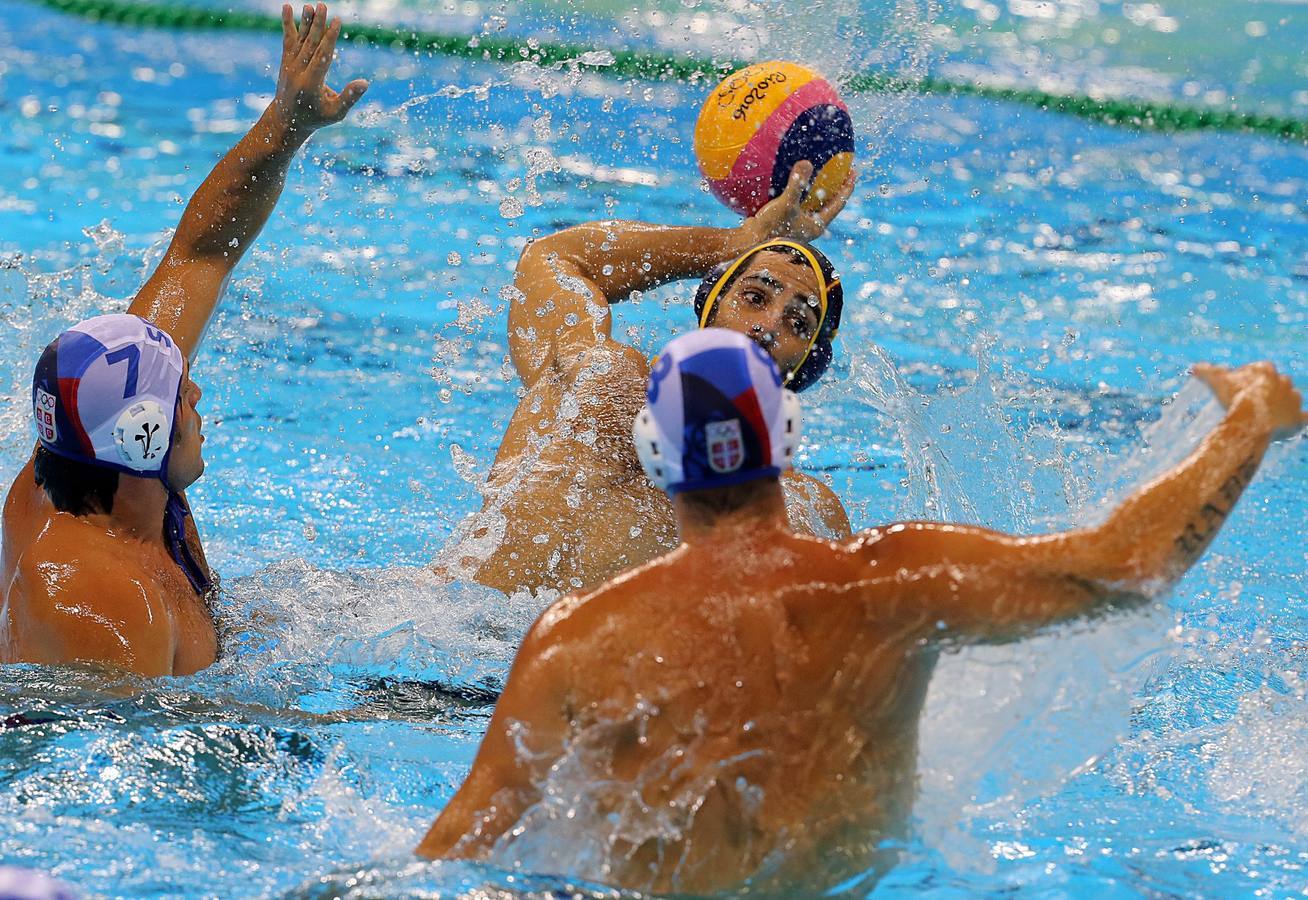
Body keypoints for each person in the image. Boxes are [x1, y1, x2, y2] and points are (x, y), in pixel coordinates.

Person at [418, 329, 1306, 894]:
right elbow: (1128, 565)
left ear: (656, 458)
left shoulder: (578, 638)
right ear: (788, 441)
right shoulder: (888, 584)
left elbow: (450, 856)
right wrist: (1249, 423)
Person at [0, 3, 368, 677]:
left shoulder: (101, 457)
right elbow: (147, 765)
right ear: (141, 433)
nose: (193, 388)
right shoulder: (96, 603)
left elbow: (199, 255)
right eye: (178, 392)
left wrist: (283, 128)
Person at [443, 160, 859, 597]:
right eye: (754, 297)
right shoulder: (598, 376)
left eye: (797, 323)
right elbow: (555, 257)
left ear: (803, 368)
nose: (769, 326)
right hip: (417, 638)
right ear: (711, 306)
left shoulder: (803, 510)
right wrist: (740, 241)